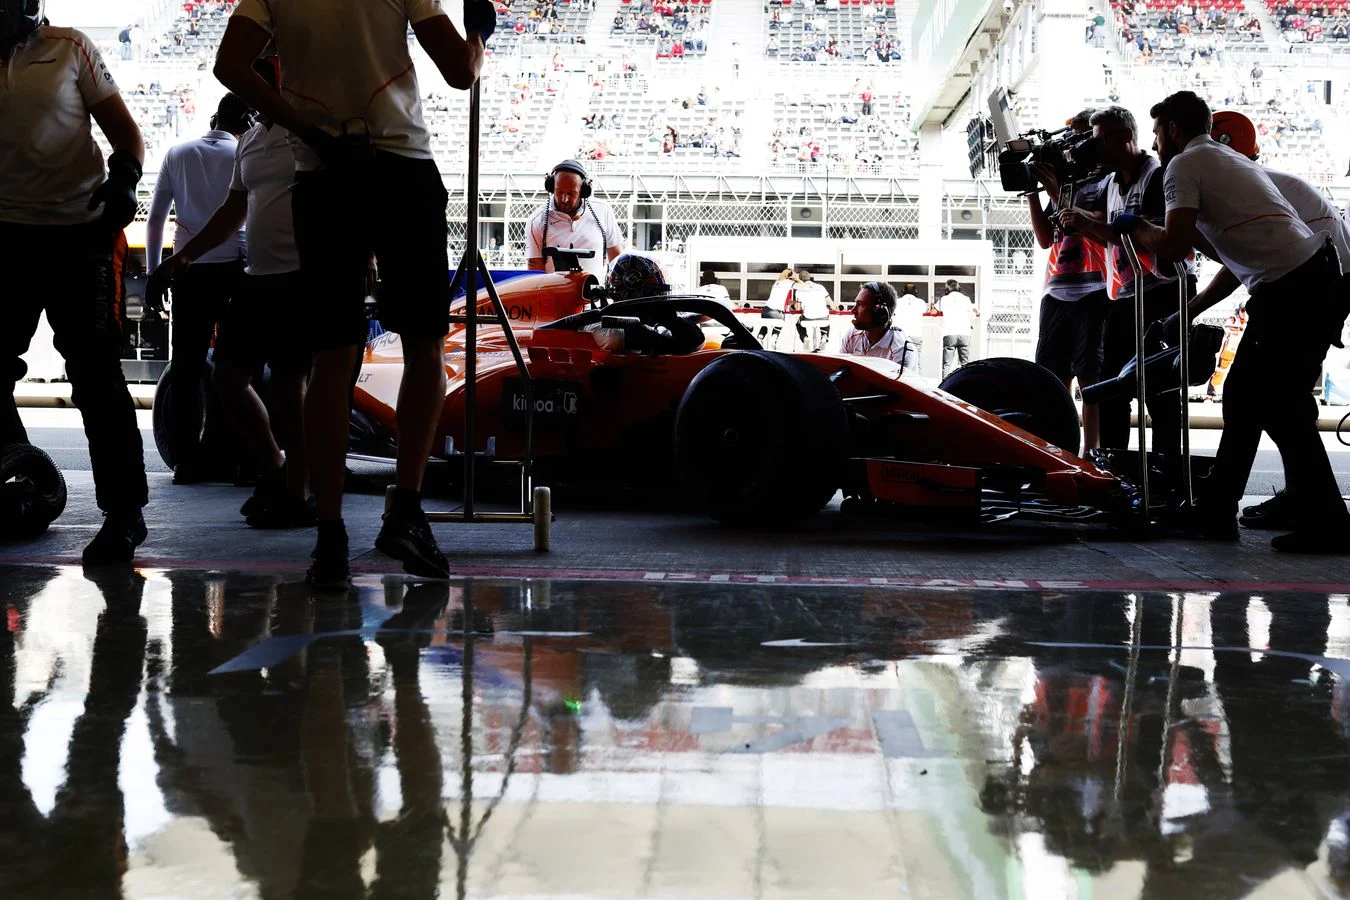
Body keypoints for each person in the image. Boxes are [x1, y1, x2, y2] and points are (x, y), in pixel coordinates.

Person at [215, 0, 489, 586]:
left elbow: (230, 66)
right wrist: (479, 33)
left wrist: (303, 125)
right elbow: (460, 72)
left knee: (331, 358)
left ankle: (331, 537)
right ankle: (406, 511)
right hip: (400, 165)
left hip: (322, 171)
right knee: (423, 346)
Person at [1121, 90, 1348, 551]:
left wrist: (1135, 226)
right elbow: (1223, 248)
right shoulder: (1228, 161)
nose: (1156, 143)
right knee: (1257, 402)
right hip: (1309, 282)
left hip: (1293, 288)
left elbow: (1173, 245)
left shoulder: (1183, 165)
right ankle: (1224, 512)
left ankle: (1319, 522)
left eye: (1158, 133)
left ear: (1175, 130)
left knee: (1261, 401)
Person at [0, 0, 150, 565]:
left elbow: (125, 133)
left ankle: (124, 514)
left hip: (78, 234)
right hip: (5, 237)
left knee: (96, 376)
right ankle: (16, 464)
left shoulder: (70, 47)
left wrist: (126, 179)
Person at [146, 58, 312, 530]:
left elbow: (346, 192)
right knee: (227, 379)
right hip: (255, 276)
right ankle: (276, 470)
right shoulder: (252, 142)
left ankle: (297, 492)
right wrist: (182, 258)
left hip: (298, 277)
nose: (254, 83)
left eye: (260, 74)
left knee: (286, 388)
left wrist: (365, 253)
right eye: (250, 77)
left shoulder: (307, 131)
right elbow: (231, 212)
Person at [1059, 105, 1192, 459]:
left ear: (1126, 138)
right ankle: (1115, 465)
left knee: (1159, 387)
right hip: (1128, 295)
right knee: (1115, 384)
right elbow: (1113, 238)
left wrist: (1089, 225)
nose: (1096, 147)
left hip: (1164, 291)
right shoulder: (1112, 184)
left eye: (1102, 139)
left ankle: (1166, 468)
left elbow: (1144, 234)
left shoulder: (1158, 175)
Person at [145, 93, 250, 484]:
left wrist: (158, 271)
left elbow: (156, 219)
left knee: (186, 366)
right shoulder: (245, 153)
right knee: (234, 366)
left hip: (188, 269)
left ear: (214, 116)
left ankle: (186, 461)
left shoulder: (177, 152)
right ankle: (233, 455)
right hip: (238, 269)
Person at [1029, 109, 1110, 450]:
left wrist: (1058, 191)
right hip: (1057, 289)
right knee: (1052, 377)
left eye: (1079, 135)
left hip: (1093, 288)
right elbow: (1047, 238)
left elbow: (1101, 227)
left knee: (1090, 377)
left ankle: (1092, 453)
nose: (1070, 145)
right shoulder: (1065, 184)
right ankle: (1059, 449)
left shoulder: (1106, 180)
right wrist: (1033, 192)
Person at [525, 159, 625, 281]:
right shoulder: (537, 219)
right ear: (551, 187)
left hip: (595, 298)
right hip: (553, 297)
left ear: (584, 191)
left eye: (571, 193)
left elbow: (617, 258)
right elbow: (535, 269)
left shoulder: (603, 211)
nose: (564, 199)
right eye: (559, 192)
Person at [841, 281, 910, 366]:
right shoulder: (852, 334)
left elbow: (901, 379)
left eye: (860, 304)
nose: (853, 310)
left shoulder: (901, 348)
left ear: (880, 312)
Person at [939, 279, 979, 376]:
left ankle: (944, 386)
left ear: (947, 290)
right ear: (959, 288)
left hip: (949, 333)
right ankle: (964, 384)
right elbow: (972, 314)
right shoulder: (966, 299)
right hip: (965, 333)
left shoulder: (944, 299)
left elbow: (935, 311)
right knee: (965, 364)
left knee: (947, 364)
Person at [793, 270, 833, 351]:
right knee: (826, 318)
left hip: (808, 317)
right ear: (809, 278)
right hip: (823, 318)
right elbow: (832, 304)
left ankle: (805, 338)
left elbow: (798, 308)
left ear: (800, 279)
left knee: (798, 323)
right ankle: (824, 337)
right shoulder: (821, 287)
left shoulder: (799, 290)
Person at [757, 268, 797, 347]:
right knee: (781, 321)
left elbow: (779, 298)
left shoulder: (776, 283)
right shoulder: (789, 282)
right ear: (791, 276)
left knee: (766, 324)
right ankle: (774, 338)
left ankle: (760, 337)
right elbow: (802, 286)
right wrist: (798, 279)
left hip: (765, 310)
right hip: (776, 312)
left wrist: (793, 302)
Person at [895, 283, 930, 370]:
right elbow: (927, 310)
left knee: (899, 362)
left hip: (901, 335)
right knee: (916, 361)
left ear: (903, 292)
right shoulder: (921, 302)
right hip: (916, 334)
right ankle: (916, 382)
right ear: (916, 292)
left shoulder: (897, 302)